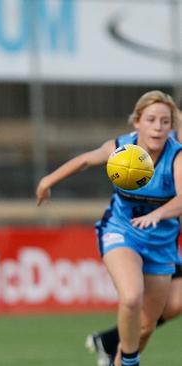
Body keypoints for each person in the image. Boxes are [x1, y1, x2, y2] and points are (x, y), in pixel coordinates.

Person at [36, 90, 181, 366]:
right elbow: (85, 161)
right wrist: (47, 181)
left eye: (165, 121)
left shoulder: (176, 157)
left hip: (161, 243)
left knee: (147, 325)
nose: (158, 127)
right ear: (137, 122)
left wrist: (159, 214)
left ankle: (116, 358)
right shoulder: (122, 148)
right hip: (121, 231)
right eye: (151, 120)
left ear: (171, 126)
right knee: (130, 297)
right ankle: (129, 361)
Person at [85, 109, 182, 366]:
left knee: (174, 304)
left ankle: (111, 342)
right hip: (148, 235)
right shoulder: (160, 141)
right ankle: (121, 350)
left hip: (166, 236)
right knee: (141, 300)